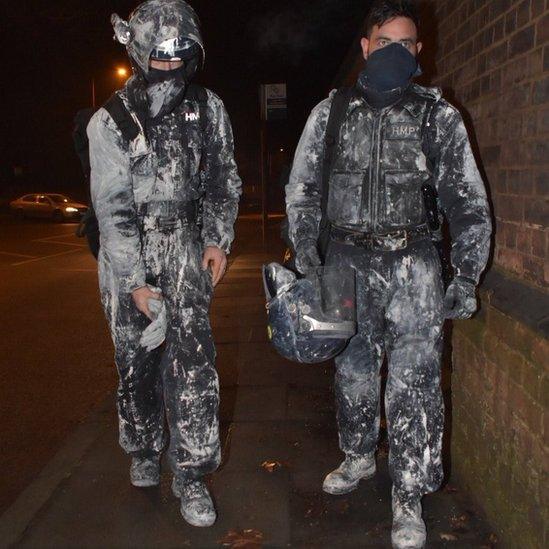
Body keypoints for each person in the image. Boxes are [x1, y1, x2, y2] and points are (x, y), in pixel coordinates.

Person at [285, 1, 492, 547]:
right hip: (344, 263)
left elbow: (468, 203)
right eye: (385, 42)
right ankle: (357, 456)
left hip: (415, 269)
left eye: (406, 44)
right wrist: (308, 256)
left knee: (415, 384)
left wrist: (466, 274)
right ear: (365, 46)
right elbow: (302, 189)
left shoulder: (438, 117)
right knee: (351, 371)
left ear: (418, 52)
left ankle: (408, 496)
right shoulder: (329, 114)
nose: (395, 52)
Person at [87, 0, 241, 527]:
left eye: (181, 50)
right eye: (160, 51)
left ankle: (192, 474)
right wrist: (133, 282)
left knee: (193, 362)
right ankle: (145, 447)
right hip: (127, 252)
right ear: (138, 48)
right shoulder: (110, 119)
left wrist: (217, 239)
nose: (171, 61)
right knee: (135, 361)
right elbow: (113, 208)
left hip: (185, 245)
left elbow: (224, 179)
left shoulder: (209, 107)